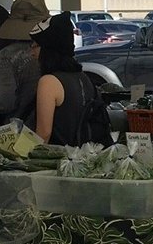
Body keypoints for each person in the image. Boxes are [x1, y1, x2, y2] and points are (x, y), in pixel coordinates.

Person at [30, 13, 111, 147]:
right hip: (84, 156)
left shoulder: (48, 82)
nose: (32, 52)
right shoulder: (83, 77)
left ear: (49, 48)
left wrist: (20, 155)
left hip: (60, 159)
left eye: (35, 45)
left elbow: (43, 134)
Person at [0, 0, 49, 124]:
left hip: (18, 129)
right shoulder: (56, 51)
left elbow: (3, 103)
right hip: (51, 127)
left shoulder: (8, 55)